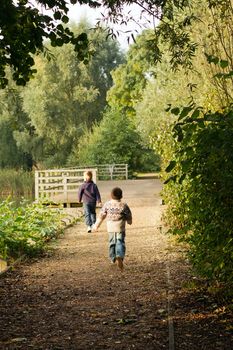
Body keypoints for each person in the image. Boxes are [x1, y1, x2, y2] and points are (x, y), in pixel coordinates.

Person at [93, 187, 132, 271]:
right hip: (120, 227)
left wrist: (96, 225)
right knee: (120, 242)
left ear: (111, 196)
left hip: (110, 227)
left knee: (112, 242)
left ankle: (113, 258)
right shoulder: (123, 205)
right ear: (121, 196)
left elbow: (101, 216)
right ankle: (120, 257)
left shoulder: (107, 204)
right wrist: (129, 221)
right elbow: (128, 214)